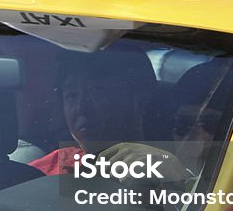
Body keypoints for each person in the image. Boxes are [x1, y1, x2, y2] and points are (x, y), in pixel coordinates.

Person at [30, 48, 188, 180]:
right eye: (71, 95)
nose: (81, 108)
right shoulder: (43, 173)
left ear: (141, 100)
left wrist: (177, 179)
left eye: (96, 92)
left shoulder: (179, 170)